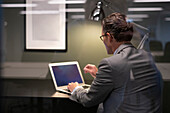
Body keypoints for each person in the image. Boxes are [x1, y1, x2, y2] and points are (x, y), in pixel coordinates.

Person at [67, 12, 163, 113]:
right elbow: (130, 83)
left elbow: (88, 99)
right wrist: (99, 75)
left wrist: (76, 89)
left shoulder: (110, 64)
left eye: (102, 37)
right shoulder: (146, 57)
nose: (103, 40)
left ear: (109, 37)